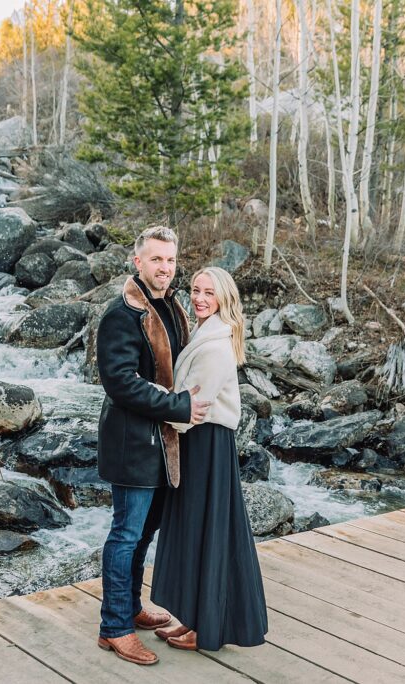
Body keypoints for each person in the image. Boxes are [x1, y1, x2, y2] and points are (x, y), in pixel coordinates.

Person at [95, 226, 212, 666]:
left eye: (170, 260)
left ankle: (131, 606)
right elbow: (121, 383)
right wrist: (180, 406)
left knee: (144, 534)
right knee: (125, 535)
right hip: (134, 445)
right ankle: (114, 627)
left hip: (165, 446)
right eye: (156, 259)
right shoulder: (120, 314)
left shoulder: (172, 307)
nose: (165, 268)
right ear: (137, 262)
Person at [151, 266, 268, 651]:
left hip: (207, 442)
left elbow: (193, 402)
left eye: (209, 293)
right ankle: (193, 619)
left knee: (208, 531)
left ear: (223, 300)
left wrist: (149, 406)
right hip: (198, 441)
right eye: (196, 290)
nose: (200, 298)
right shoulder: (205, 332)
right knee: (193, 529)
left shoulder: (216, 345)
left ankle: (208, 627)